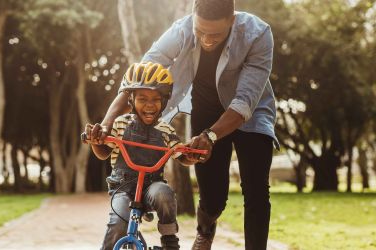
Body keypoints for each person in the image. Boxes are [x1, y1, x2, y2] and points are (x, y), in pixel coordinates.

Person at [91, 0, 279, 249]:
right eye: (201, 32)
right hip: (206, 112)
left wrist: (211, 136)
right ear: (193, 19)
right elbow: (140, 79)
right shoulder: (181, 30)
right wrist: (107, 123)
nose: (207, 40)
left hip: (251, 113)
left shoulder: (258, 33)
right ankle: (206, 230)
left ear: (232, 21)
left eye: (215, 34)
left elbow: (244, 102)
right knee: (213, 198)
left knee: (256, 191)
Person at [85, 62, 197, 250]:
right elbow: (104, 153)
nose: (149, 105)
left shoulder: (166, 130)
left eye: (156, 99)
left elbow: (180, 154)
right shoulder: (121, 124)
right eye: (142, 98)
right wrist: (97, 143)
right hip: (122, 187)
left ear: (164, 100)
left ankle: (170, 240)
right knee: (119, 223)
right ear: (131, 100)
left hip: (151, 188)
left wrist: (191, 155)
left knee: (164, 194)